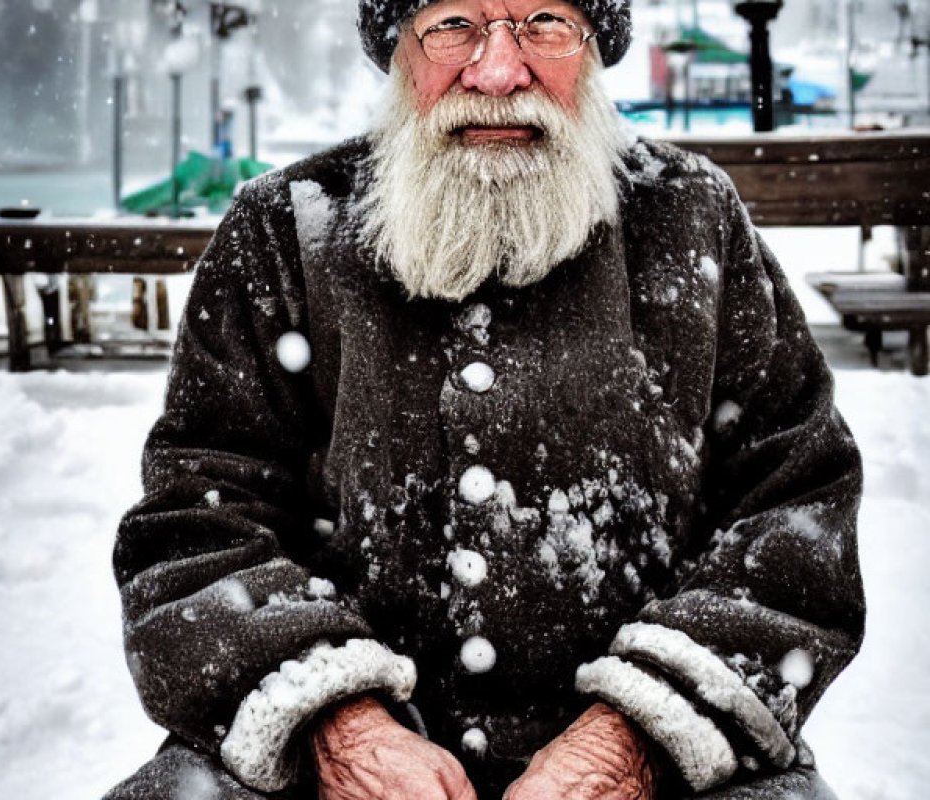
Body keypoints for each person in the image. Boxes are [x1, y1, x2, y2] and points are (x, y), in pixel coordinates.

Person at [104, 1, 865, 798]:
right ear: (399, 51)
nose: (499, 71)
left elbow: (795, 506)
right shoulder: (283, 230)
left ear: (594, 49)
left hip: (671, 771)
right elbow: (197, 524)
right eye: (454, 24)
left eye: (543, 20)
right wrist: (339, 725)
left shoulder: (692, 217)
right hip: (319, 769)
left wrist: (636, 736)